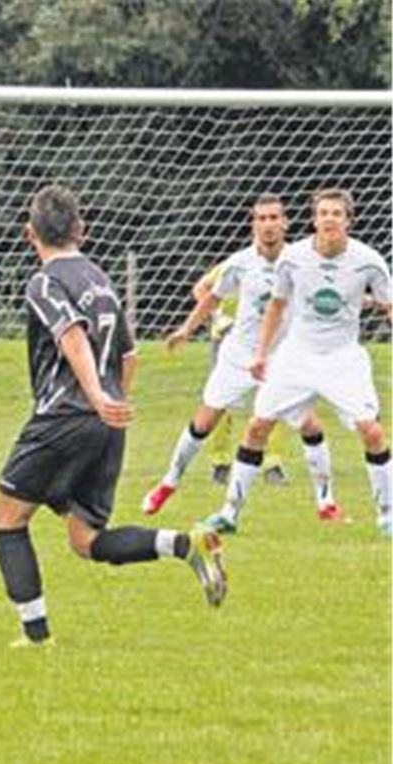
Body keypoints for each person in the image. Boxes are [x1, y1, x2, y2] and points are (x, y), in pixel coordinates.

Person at [0, 185, 227, 648]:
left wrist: (95, 396)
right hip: (105, 422)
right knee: (85, 539)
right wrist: (110, 405)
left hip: (64, 416)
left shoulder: (44, 282)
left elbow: (71, 334)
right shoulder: (100, 279)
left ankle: (35, 637)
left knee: (7, 519)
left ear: (29, 233)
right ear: (82, 230)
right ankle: (185, 544)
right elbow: (130, 355)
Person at [206, 188, 392, 536]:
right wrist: (261, 353)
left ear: (349, 220)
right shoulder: (293, 258)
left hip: (343, 358)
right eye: (323, 212)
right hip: (296, 355)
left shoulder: (369, 261)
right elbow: (276, 305)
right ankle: (229, 512)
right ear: (314, 218)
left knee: (372, 431)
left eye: (337, 213)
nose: (329, 219)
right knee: (258, 427)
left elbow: (388, 306)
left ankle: (386, 515)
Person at [142, 195, 336, 518]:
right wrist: (186, 330)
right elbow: (210, 297)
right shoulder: (240, 263)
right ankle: (168, 482)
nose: (268, 225)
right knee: (203, 422)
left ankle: (326, 501)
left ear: (285, 222)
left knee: (310, 425)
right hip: (239, 355)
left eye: (274, 218)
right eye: (261, 219)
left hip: (282, 360)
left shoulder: (304, 261)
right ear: (253, 224)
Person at [191, 263, 287, 486]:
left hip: (270, 342)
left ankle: (272, 464)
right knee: (220, 404)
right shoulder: (235, 264)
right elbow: (200, 289)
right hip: (228, 341)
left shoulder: (286, 264)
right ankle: (220, 463)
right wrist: (218, 318)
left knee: (272, 401)